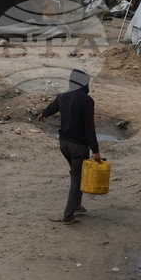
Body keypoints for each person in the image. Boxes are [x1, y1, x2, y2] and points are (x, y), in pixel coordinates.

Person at [37, 69, 103, 225]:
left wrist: (43, 114)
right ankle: (68, 216)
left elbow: (53, 107)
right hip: (78, 146)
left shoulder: (63, 96)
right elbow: (90, 127)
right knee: (77, 179)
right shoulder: (87, 100)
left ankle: (77, 205)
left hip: (64, 144)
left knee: (76, 173)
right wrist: (95, 151)